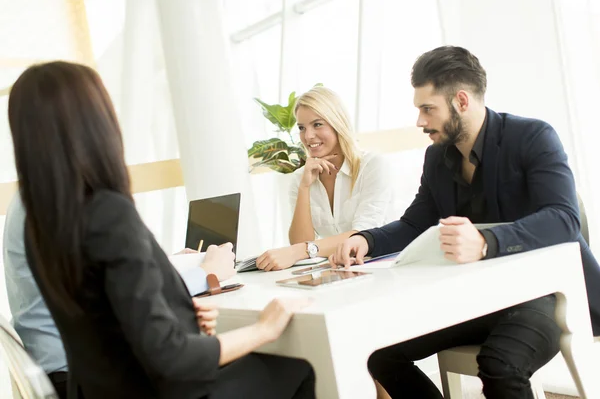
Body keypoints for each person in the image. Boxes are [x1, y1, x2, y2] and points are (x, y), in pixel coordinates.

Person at [7, 61, 315, 399]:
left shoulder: (39, 223)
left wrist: (176, 314)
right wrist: (264, 329)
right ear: (95, 123)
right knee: (297, 368)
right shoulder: (107, 212)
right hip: (159, 389)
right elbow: (171, 361)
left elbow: (104, 322)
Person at [330, 45, 600, 398]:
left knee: (500, 364)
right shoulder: (436, 157)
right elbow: (415, 224)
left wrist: (487, 242)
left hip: (549, 291)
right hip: (481, 297)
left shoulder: (534, 136)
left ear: (460, 101)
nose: (420, 121)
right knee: (378, 353)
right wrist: (367, 240)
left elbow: (563, 219)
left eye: (428, 109)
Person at [3, 194, 234, 398]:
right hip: (86, 382)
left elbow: (108, 284)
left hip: (60, 375)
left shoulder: (31, 199)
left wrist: (163, 266)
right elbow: (133, 303)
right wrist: (206, 273)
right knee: (261, 368)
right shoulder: (67, 204)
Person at [256, 86, 394, 271]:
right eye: (302, 128)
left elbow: (361, 235)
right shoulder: (300, 178)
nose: (308, 136)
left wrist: (301, 250)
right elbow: (299, 243)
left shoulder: (372, 166)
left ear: (337, 123)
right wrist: (304, 187)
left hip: (379, 267)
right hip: (338, 269)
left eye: (317, 124)